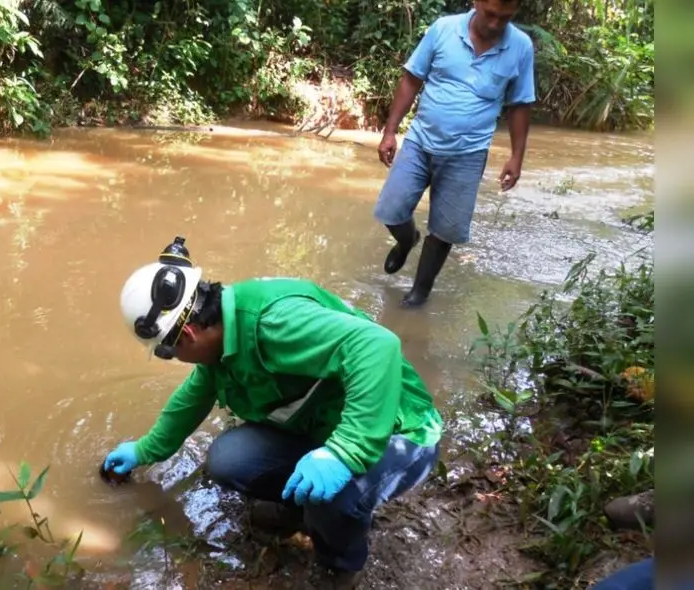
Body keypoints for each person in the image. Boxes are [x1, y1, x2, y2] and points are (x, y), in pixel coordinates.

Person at [102, 236, 444, 588]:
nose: (174, 360)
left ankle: (341, 565)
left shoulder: (273, 323)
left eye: (167, 353)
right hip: (327, 423)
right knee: (228, 458)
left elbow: (377, 345)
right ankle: (298, 509)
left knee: (333, 499)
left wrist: (345, 452)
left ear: (186, 333)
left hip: (403, 432)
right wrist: (145, 450)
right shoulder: (222, 331)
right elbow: (194, 395)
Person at [372, 0, 536, 308]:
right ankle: (407, 240)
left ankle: (419, 292)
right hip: (420, 142)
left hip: (468, 153)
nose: (496, 24)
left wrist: (517, 155)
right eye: (490, 14)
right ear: (476, 3)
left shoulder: (521, 47)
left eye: (505, 18)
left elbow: (520, 104)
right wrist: (390, 131)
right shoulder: (443, 29)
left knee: (445, 229)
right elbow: (411, 79)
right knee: (391, 211)